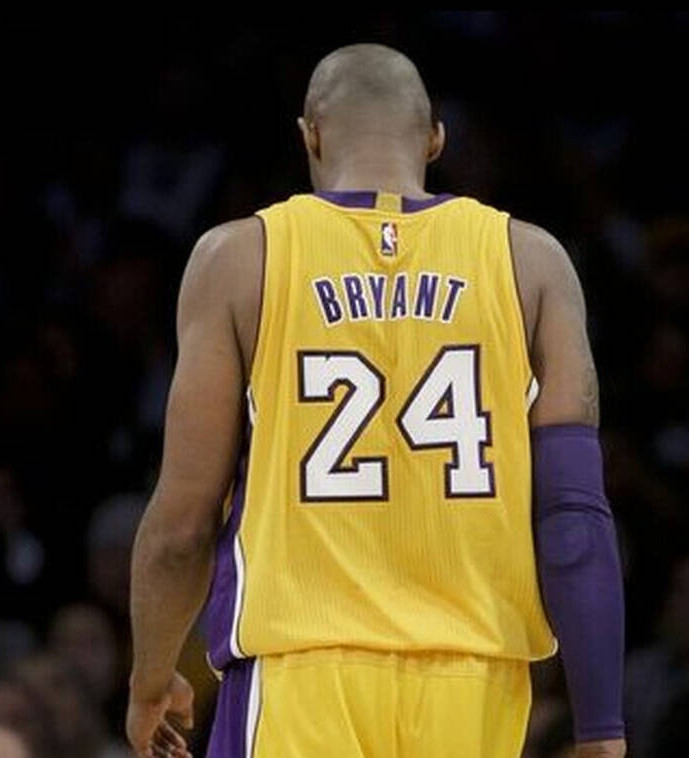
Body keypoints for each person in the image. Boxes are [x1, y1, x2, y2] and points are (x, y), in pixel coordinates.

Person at [126, 43, 626, 758]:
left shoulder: (238, 259)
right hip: (476, 685)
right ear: (435, 139)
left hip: (302, 673)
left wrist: (150, 678)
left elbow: (182, 525)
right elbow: (574, 516)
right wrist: (601, 725)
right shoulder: (533, 261)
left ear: (310, 136)